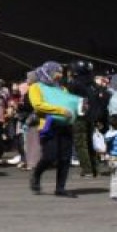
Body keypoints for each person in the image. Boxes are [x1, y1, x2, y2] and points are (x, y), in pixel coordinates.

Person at [27, 61, 79, 198]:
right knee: (50, 156)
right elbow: (38, 105)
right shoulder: (36, 87)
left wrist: (79, 108)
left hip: (65, 125)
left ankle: (60, 188)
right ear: (48, 72)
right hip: (48, 126)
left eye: (61, 72)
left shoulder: (62, 89)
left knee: (65, 158)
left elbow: (69, 104)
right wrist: (60, 110)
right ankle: (36, 174)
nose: (59, 75)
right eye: (57, 72)